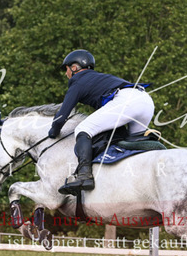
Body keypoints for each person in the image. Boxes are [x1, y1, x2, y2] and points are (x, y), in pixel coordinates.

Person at [48, 49, 155, 195]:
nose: (66, 74)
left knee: (83, 129)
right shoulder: (98, 78)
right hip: (145, 101)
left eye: (66, 69)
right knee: (132, 142)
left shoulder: (77, 81)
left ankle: (84, 175)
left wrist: (53, 132)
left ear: (74, 67)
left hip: (127, 101)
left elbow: (62, 116)